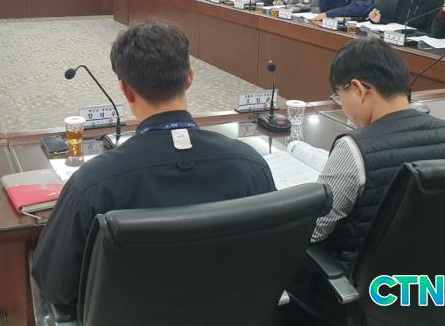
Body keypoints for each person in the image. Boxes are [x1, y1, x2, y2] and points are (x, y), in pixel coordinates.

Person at [32, 21, 276, 307]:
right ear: (189, 78)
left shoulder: (92, 184)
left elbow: (55, 285)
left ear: (126, 90)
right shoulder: (250, 165)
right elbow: (271, 257)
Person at [286, 38, 445, 323]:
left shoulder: (354, 148)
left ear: (359, 89)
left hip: (365, 293)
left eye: (339, 96)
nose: (343, 107)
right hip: (438, 288)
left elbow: (313, 231)